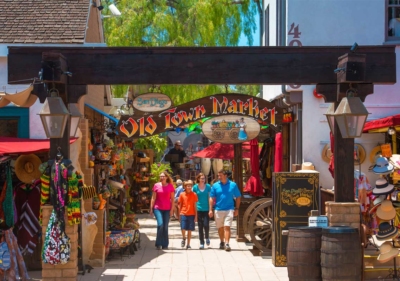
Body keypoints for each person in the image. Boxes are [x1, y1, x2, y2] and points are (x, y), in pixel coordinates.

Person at [209, 169, 241, 252]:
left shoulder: (233, 185)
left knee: (227, 227)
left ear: (226, 176)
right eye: (218, 175)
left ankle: (227, 243)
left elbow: (238, 196)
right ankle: (222, 241)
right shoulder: (215, 185)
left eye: (220, 175)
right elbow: (211, 198)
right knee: (220, 228)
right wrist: (210, 210)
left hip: (229, 209)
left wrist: (236, 208)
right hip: (218, 209)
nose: (219, 177)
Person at [149, 171, 175, 250]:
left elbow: (172, 199)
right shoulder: (156, 186)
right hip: (158, 208)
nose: (162, 178)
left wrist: (172, 210)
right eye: (160, 176)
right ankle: (158, 243)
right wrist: (151, 208)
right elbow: (153, 198)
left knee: (165, 227)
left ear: (166, 177)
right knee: (160, 225)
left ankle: (165, 244)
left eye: (163, 176)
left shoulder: (170, 186)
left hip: (167, 209)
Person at [193, 173, 211, 249]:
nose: (203, 180)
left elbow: (209, 198)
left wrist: (210, 209)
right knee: (200, 226)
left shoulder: (208, 187)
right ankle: (201, 242)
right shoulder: (195, 187)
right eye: (201, 178)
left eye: (204, 178)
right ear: (198, 179)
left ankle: (207, 237)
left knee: (206, 225)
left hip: (206, 208)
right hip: (198, 209)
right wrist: (194, 211)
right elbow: (194, 199)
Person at [178, 180, 198, 250]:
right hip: (183, 213)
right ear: (185, 187)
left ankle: (188, 244)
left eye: (190, 186)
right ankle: (184, 237)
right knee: (183, 228)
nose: (189, 187)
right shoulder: (182, 194)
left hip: (191, 214)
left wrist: (196, 216)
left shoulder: (194, 194)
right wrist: (179, 214)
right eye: (188, 186)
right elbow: (180, 205)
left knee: (189, 230)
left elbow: (195, 206)